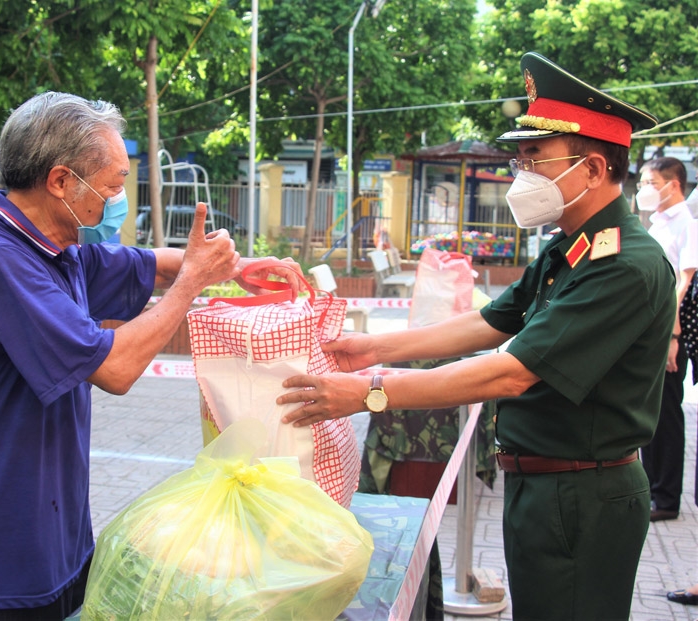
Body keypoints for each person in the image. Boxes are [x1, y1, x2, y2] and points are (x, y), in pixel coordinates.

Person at [277, 52, 675, 620]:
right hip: (545, 484)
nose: (523, 174)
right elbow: (493, 321)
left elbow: (510, 372)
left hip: (584, 493)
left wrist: (369, 390)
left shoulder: (622, 265)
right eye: (520, 159)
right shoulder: (572, 247)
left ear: (591, 169)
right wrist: (377, 348)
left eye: (536, 160)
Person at [0, 91, 301, 619]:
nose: (120, 197)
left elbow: (151, 264)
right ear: (60, 181)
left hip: (59, 548)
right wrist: (192, 282)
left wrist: (238, 268)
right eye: (115, 183)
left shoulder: (60, 251)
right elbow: (115, 368)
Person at [635, 157, 697, 522]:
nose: (644, 188)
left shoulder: (686, 225)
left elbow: (681, 282)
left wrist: (673, 334)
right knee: (649, 412)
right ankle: (650, 487)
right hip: (651, 331)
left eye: (649, 181)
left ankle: (667, 498)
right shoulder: (657, 224)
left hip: (669, 333)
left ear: (672, 185)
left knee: (667, 415)